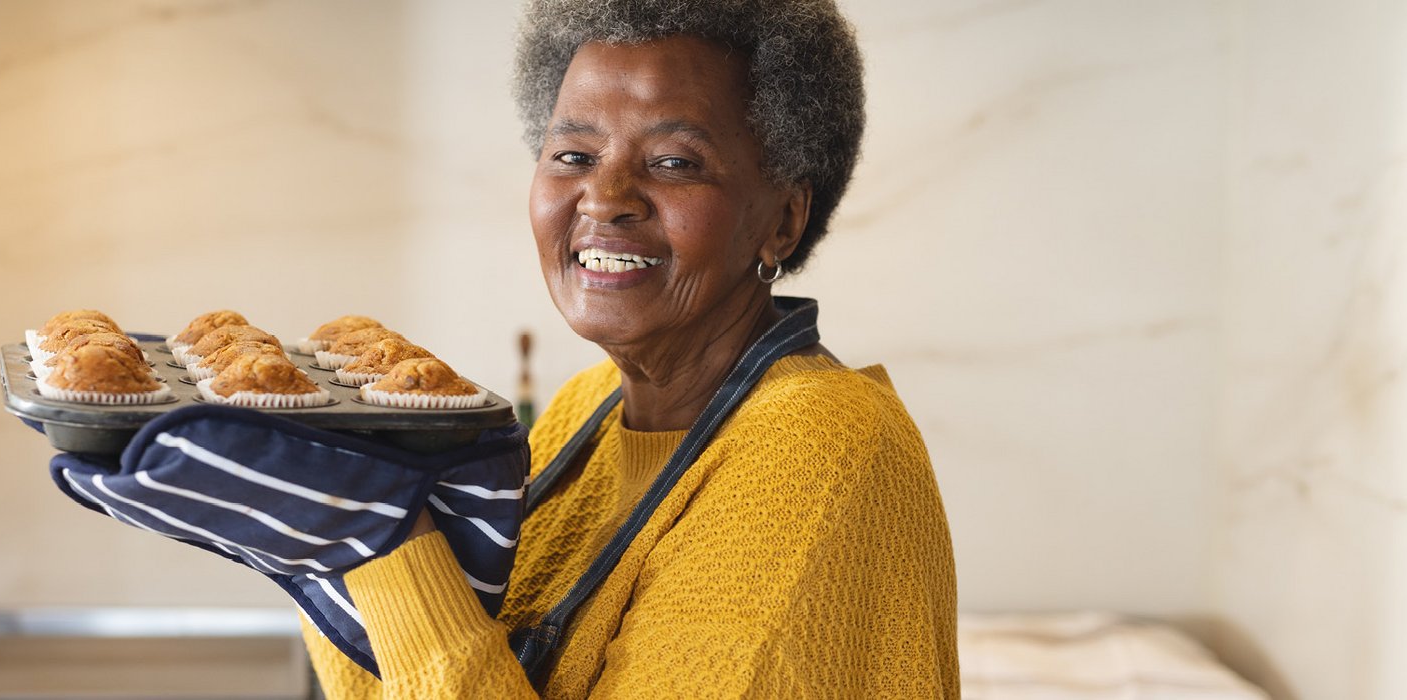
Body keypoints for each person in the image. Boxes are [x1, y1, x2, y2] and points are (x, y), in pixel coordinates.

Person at [301, 0, 958, 697]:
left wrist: (385, 533)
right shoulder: (586, 409)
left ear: (783, 222)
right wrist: (323, 525)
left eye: (675, 162)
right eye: (574, 155)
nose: (604, 196)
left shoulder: (821, 444)